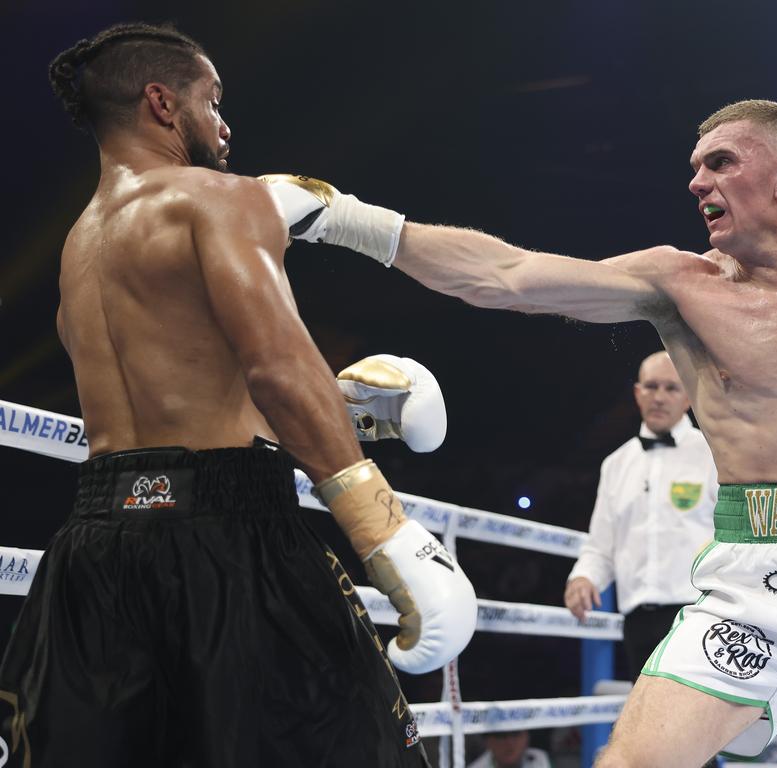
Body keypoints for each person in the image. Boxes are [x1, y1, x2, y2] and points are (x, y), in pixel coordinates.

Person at [264, 98, 777, 767]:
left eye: (721, 163)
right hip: (754, 592)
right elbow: (506, 276)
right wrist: (344, 217)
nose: (698, 183)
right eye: (695, 168)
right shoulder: (678, 285)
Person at [0, 22, 477, 767]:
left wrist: (340, 404)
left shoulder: (79, 248)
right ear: (162, 102)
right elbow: (277, 370)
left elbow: (182, 400)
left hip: (94, 549)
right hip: (229, 537)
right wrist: (387, 535)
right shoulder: (222, 198)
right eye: (211, 99)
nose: (225, 122)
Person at [564, 350, 717, 680]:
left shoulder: (713, 454)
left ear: (689, 395)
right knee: (654, 725)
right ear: (637, 393)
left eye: (671, 388)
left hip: (698, 613)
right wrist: (582, 577)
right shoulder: (616, 464)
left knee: (696, 724)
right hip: (636, 621)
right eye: (651, 386)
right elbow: (601, 546)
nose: (659, 397)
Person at [468, 730, 552, 768]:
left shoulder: (539, 758)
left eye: (515, 735)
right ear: (488, 741)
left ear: (527, 737)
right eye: (501, 736)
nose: (509, 743)